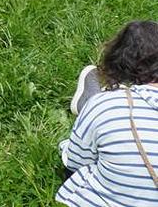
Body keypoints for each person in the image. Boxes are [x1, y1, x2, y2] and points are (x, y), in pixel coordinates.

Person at [58, 20, 158, 206]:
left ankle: (91, 102)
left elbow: (74, 162)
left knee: (100, 122)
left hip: (104, 200)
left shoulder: (106, 106)